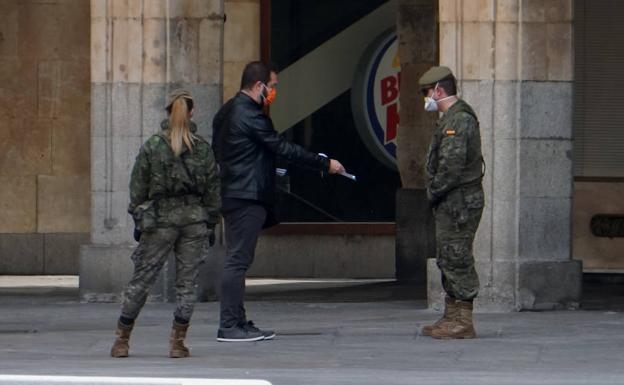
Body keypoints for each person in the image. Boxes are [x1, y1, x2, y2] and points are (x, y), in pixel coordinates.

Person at [212, 61, 345, 342]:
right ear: (258, 86)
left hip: (236, 192)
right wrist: (323, 163)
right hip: (246, 195)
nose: (273, 92)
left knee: (239, 258)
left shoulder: (227, 111)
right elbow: (281, 147)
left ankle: (237, 320)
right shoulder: (249, 114)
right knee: (237, 260)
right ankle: (229, 325)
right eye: (272, 87)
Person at [110, 89, 221, 358]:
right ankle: (177, 343)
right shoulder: (203, 148)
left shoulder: (152, 146)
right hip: (194, 221)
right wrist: (211, 221)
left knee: (142, 280)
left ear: (167, 112)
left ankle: (122, 340)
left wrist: (139, 216)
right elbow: (213, 190)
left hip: (159, 221)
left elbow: (137, 188)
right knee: (187, 284)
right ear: (192, 112)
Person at [418, 66, 484, 339]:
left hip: (459, 202)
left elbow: (451, 168)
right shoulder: (451, 119)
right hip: (452, 202)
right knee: (447, 257)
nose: (426, 99)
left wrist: (433, 191)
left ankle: (463, 321)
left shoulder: (458, 120)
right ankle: (451, 316)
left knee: (457, 258)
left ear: (438, 90)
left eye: (426, 93)